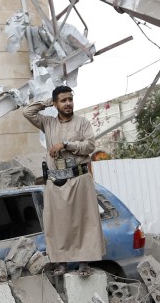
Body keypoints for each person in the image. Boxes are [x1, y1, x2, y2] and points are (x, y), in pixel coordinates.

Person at [23, 85, 105, 276]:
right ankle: (62, 263)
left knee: (83, 222)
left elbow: (89, 146)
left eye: (70, 99)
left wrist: (66, 145)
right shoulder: (48, 123)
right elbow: (27, 112)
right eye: (63, 100)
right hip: (56, 181)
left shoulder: (82, 123)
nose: (68, 103)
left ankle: (84, 263)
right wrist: (46, 103)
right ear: (56, 103)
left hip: (79, 179)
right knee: (58, 224)